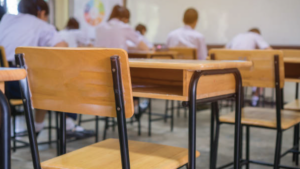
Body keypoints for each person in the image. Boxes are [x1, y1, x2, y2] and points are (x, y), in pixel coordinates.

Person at [0, 0, 91, 138]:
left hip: (2, 83)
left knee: (42, 78)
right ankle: (66, 125)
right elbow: (62, 49)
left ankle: (39, 127)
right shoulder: (40, 25)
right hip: (19, 84)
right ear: (41, 12)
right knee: (58, 80)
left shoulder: (6, 20)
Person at [226, 28, 272, 106]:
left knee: (248, 72)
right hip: (247, 71)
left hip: (233, 71)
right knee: (263, 73)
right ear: (258, 34)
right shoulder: (256, 36)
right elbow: (270, 51)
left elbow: (224, 50)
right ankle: (255, 98)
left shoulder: (238, 36)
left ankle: (241, 98)